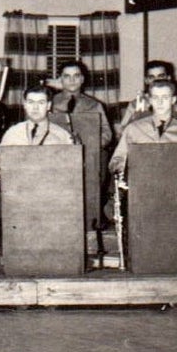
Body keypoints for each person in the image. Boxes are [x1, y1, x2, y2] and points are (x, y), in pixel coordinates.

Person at [48, 60, 112, 236]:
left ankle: (91, 227)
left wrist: (90, 145)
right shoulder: (49, 103)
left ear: (82, 79)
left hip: (89, 158)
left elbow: (107, 134)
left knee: (100, 161)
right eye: (67, 76)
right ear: (60, 79)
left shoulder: (95, 105)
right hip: (58, 156)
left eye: (76, 76)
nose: (72, 80)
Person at [109, 78, 177, 177]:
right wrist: (122, 171)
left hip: (174, 182)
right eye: (156, 98)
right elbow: (117, 160)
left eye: (165, 97)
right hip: (141, 181)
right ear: (150, 100)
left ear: (173, 100)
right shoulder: (133, 129)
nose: (160, 102)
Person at [117, 58, 177, 132]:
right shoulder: (136, 104)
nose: (156, 80)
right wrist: (137, 116)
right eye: (151, 77)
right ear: (146, 80)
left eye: (161, 76)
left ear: (168, 78)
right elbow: (122, 131)